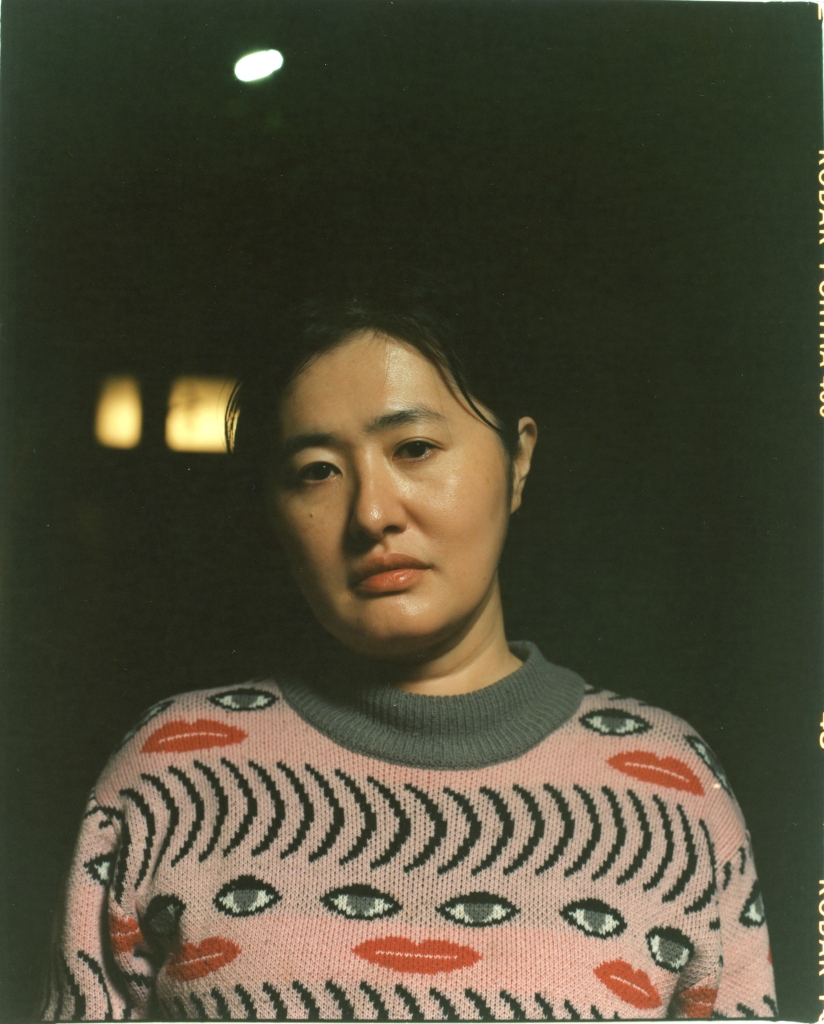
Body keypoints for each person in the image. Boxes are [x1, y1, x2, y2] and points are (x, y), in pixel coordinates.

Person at [41, 285, 777, 1021]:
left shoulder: (669, 789)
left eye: (414, 449)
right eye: (317, 470)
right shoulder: (172, 772)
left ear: (518, 460)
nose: (370, 513)